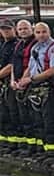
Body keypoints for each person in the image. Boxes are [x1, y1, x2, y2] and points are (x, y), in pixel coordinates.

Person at [18, 22, 54, 164]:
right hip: (36, 88)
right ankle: (45, 150)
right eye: (38, 32)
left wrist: (30, 79)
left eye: (44, 32)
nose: (41, 35)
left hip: (49, 87)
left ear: (49, 32)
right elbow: (31, 66)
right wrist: (23, 80)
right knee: (39, 121)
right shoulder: (35, 47)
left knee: (51, 121)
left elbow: (52, 70)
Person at [9, 20, 36, 155]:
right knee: (20, 117)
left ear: (31, 28)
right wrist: (13, 80)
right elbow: (14, 64)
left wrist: (22, 81)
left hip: (30, 84)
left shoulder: (35, 44)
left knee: (32, 118)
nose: (23, 31)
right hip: (18, 83)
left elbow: (31, 65)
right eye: (20, 29)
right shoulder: (19, 44)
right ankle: (26, 146)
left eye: (25, 28)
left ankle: (35, 148)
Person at [0, 19, 17, 153]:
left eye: (8, 29)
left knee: (13, 114)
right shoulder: (3, 44)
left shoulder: (15, 45)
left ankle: (15, 145)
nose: (5, 31)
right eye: (3, 29)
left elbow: (11, 65)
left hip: (10, 84)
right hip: (3, 84)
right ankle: (5, 143)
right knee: (3, 115)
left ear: (13, 29)